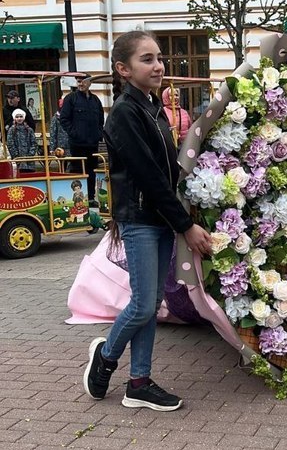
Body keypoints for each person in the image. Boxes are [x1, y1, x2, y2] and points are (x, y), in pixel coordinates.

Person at [83, 30, 212, 412]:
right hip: (140, 218)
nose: (158, 65)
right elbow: (148, 176)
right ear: (123, 69)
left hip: (159, 218)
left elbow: (168, 170)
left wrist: (193, 199)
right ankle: (106, 356)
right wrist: (185, 225)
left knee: (152, 302)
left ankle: (139, 382)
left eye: (159, 58)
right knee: (141, 305)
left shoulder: (154, 107)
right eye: (147, 59)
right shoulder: (125, 112)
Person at [60, 74, 104, 207]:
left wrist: (98, 133)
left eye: (82, 81)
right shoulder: (70, 99)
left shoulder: (95, 100)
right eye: (78, 81)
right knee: (78, 171)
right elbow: (64, 119)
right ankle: (78, 200)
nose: (80, 84)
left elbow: (101, 119)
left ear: (89, 83)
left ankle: (90, 198)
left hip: (92, 143)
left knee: (92, 171)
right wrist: (75, 134)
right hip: (77, 144)